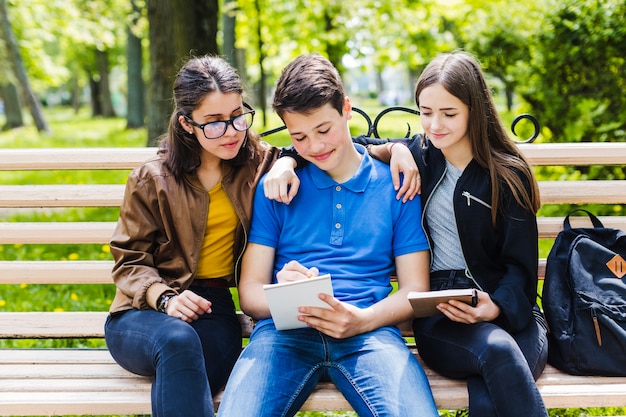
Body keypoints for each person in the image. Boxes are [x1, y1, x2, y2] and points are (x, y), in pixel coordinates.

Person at [266, 51, 549, 416]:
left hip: (505, 307)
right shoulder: (420, 158)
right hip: (441, 311)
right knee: (495, 354)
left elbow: (521, 268)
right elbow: (342, 145)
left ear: (475, 111)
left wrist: (496, 305)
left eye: (449, 114)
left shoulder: (507, 176)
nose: (434, 125)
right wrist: (288, 160)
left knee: (492, 371)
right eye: (425, 112)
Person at [216, 53, 439, 417]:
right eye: (299, 137)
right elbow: (251, 295)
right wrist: (282, 294)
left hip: (371, 333)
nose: (315, 147)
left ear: (347, 109)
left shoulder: (395, 185)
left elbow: (415, 289)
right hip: (282, 335)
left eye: (324, 130)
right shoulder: (277, 187)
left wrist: (362, 321)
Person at [104, 55, 295, 417]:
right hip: (142, 312)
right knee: (177, 342)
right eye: (214, 123)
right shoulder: (151, 178)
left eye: (238, 115)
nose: (232, 131)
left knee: (184, 375)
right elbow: (129, 261)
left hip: (213, 310)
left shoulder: (258, 164)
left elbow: (325, 148)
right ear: (186, 124)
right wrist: (165, 299)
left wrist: (288, 161)